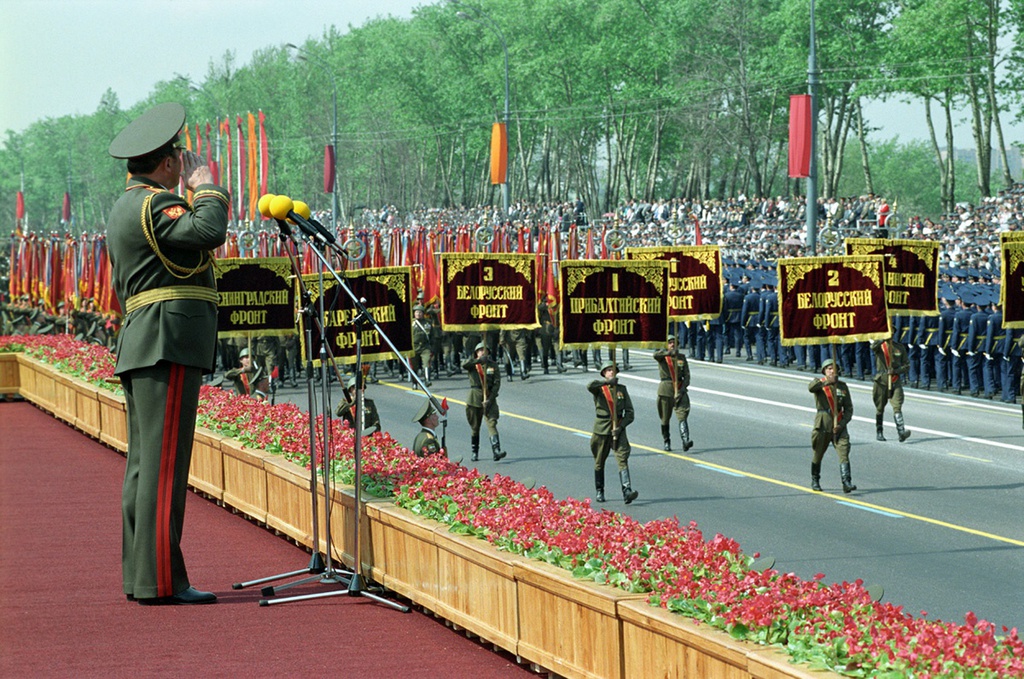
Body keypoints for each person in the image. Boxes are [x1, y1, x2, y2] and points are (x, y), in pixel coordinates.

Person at [107, 102, 229, 605]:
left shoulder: (126, 204)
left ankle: (142, 577)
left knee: (145, 465)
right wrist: (208, 187)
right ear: (167, 164)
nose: (184, 163)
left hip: (147, 340)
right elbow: (207, 232)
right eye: (180, 157)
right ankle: (162, 581)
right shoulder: (158, 204)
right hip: (167, 341)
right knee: (162, 468)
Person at [587, 361, 638, 504]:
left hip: (618, 429)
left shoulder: (622, 389)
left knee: (622, 458)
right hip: (602, 429)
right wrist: (606, 383)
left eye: (613, 370)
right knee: (599, 461)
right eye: (608, 370)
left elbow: (630, 412)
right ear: (604, 373)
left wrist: (621, 427)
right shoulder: (599, 389)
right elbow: (590, 385)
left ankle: (627, 490)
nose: (611, 372)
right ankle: (599, 490)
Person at [808, 358, 856, 493]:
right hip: (823, 424)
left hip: (839, 426)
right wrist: (828, 381)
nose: (832, 371)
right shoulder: (820, 384)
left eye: (834, 368)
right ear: (824, 371)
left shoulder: (842, 386)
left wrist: (841, 424)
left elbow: (849, 409)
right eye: (829, 368)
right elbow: (811, 388)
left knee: (844, 453)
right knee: (818, 453)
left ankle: (847, 482)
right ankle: (815, 480)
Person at [462, 342, 507, 462]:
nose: (483, 352)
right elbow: (464, 365)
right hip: (475, 398)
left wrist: (490, 399)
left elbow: (497, 384)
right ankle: (474, 451)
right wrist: (477, 361)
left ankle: (496, 451)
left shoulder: (493, 365)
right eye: (480, 350)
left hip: (489, 398)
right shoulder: (473, 365)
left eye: (485, 350)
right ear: (476, 353)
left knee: (492, 423)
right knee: (475, 427)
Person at [653, 336, 693, 451]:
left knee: (683, 415)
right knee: (665, 418)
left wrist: (683, 389)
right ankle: (666, 441)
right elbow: (655, 355)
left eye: (674, 342)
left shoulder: (681, 357)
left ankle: (685, 440)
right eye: (669, 343)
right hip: (666, 390)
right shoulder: (663, 357)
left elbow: (687, 375)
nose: (672, 344)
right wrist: (668, 353)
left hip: (680, 389)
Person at [870, 337, 912, 442]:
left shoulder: (899, 347)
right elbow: (872, 347)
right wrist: (881, 339)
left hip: (895, 380)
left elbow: (907, 365)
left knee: (897, 405)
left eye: (892, 332)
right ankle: (879, 431)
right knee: (880, 407)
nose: (891, 334)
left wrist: (896, 370)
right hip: (881, 380)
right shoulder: (879, 346)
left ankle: (901, 432)